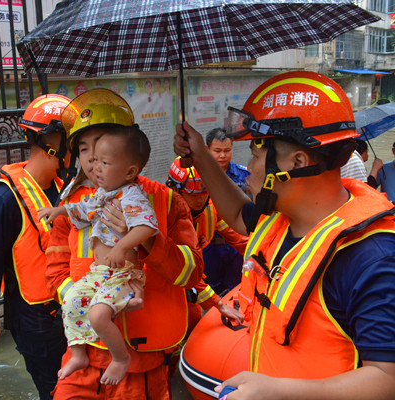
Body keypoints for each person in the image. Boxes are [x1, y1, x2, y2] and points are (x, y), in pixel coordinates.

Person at [174, 71, 395, 400]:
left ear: (297, 162)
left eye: (257, 154)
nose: (248, 166)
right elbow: (237, 214)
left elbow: (386, 378)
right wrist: (200, 156)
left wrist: (280, 391)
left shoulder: (370, 257)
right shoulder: (281, 222)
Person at [46, 88, 203, 399]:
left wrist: (148, 243)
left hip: (141, 362)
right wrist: (95, 300)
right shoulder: (74, 207)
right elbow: (54, 278)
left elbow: (193, 273)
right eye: (82, 149)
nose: (91, 159)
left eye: (101, 145)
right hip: (85, 354)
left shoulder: (165, 200)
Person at [0, 94, 71, 400]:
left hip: (72, 311)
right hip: (36, 319)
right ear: (52, 140)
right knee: (54, 391)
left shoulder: (66, 187)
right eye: (73, 137)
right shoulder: (5, 199)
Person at [38, 126, 158, 385]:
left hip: (121, 274)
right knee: (70, 300)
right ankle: (78, 353)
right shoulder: (103, 192)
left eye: (105, 161)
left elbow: (147, 226)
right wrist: (58, 211)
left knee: (98, 315)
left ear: (130, 171)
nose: (96, 165)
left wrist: (121, 247)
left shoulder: (132, 195)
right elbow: (82, 210)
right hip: (100, 273)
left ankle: (120, 358)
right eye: (87, 153)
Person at [166, 156, 247, 324]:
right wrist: (218, 303)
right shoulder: (166, 217)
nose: (200, 199)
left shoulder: (210, 210)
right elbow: (184, 268)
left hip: (192, 278)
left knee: (194, 315)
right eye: (193, 194)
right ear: (175, 190)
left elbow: (238, 239)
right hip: (167, 282)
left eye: (205, 192)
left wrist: (265, 254)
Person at [204, 128, 250, 294]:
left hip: (236, 244)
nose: (222, 156)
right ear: (207, 149)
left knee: (234, 288)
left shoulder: (244, 175)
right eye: (217, 151)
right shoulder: (197, 176)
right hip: (209, 244)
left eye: (227, 150)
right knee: (210, 288)